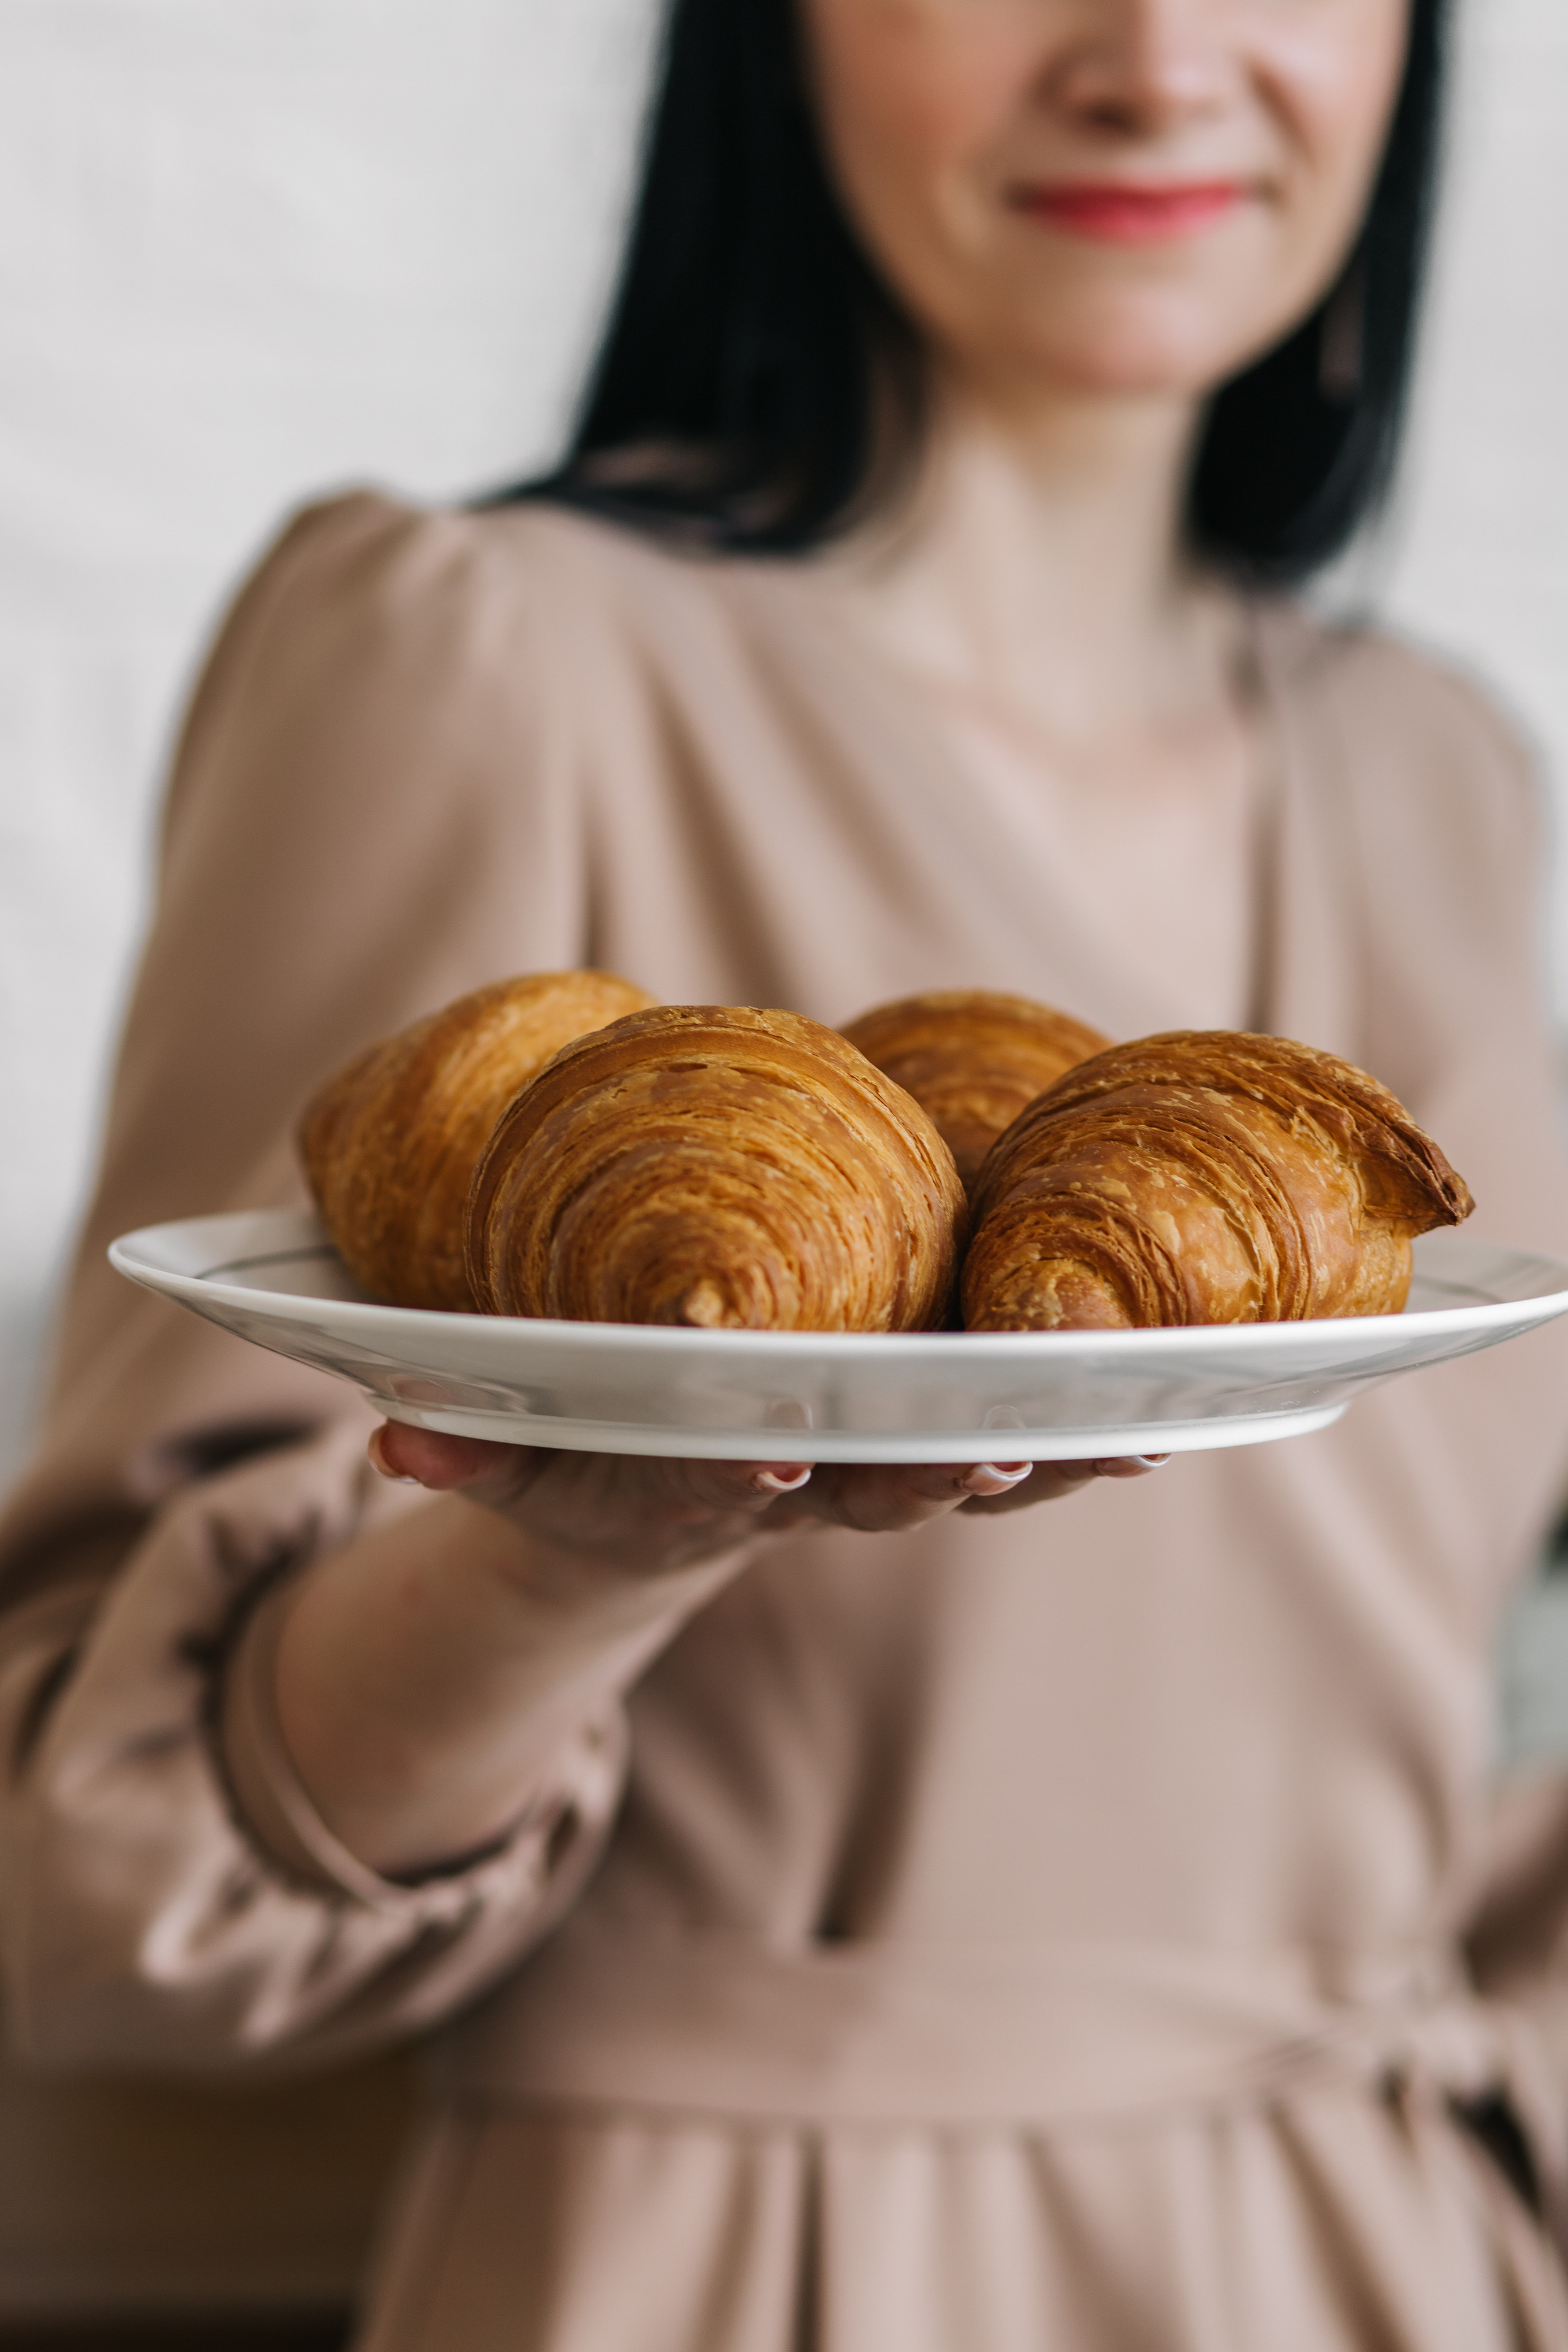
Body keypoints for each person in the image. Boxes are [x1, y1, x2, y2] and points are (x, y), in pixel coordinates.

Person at [4, 0, 1568, 2342]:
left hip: (1393, 2257)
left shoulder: (1439, 768)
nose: (1157, 60)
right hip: (737, 2273)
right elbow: (77, 1869)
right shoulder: (474, 650)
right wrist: (571, 1561)